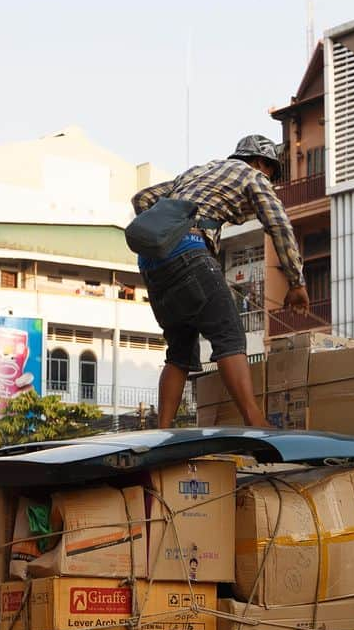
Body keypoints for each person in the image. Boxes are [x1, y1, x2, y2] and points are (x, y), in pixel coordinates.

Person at [130, 134, 310, 429]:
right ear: (261, 162)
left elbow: (143, 199)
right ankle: (254, 419)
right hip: (190, 251)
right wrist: (296, 282)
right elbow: (278, 224)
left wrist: (164, 230)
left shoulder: (197, 172)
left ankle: (163, 428)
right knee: (230, 336)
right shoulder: (254, 176)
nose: (271, 180)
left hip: (152, 263)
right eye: (272, 174)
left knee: (180, 351)